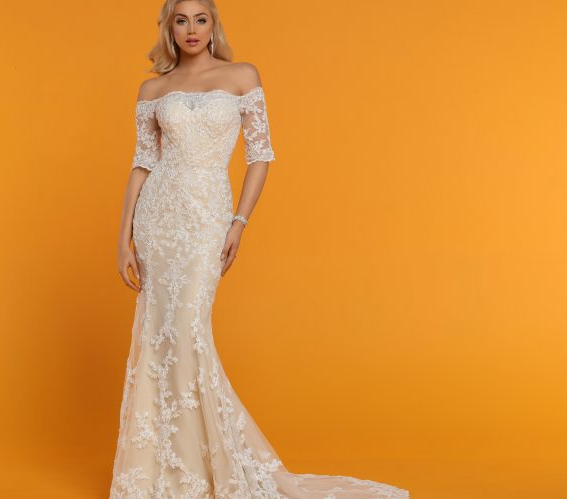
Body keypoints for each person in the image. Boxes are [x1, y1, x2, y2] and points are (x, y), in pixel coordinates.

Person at [111, 1, 410, 497]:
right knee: (160, 338)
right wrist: (122, 237)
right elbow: (142, 164)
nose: (191, 29)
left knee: (188, 332)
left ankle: (209, 464)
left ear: (213, 25)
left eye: (200, 19)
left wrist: (239, 222)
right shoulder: (153, 89)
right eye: (181, 20)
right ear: (169, 28)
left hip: (206, 217)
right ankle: (170, 470)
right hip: (157, 221)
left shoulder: (241, 76)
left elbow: (260, 155)